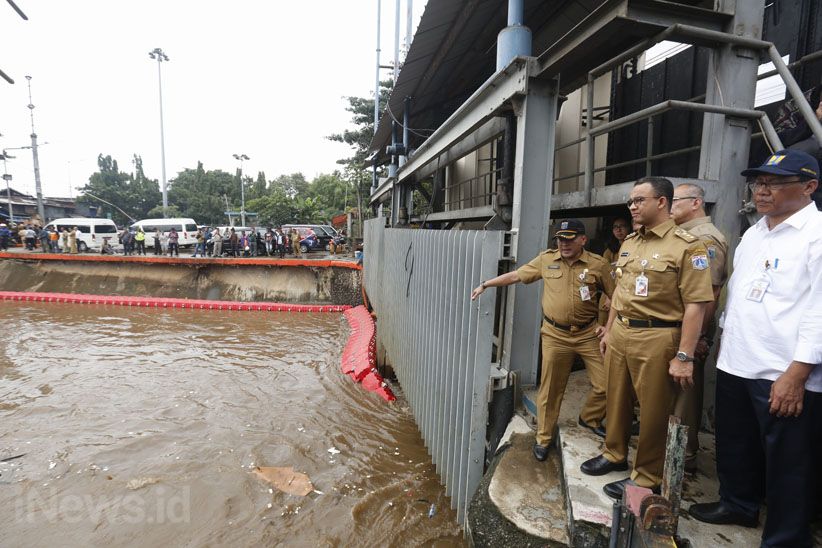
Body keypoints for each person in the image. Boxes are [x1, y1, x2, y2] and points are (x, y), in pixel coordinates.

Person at [689, 150, 822, 547]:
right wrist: (723, 341)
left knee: (789, 461)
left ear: (809, 186)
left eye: (774, 183)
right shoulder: (754, 233)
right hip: (737, 361)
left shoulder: (816, 235)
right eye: (758, 183)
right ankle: (737, 504)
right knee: (736, 443)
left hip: (783, 370)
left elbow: (819, 310)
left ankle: (787, 537)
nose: (762, 191)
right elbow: (738, 294)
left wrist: (797, 373)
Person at [580, 177, 713, 500]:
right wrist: (610, 329)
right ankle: (614, 453)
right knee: (616, 397)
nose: (632, 207)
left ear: (662, 202)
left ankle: (647, 475)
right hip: (622, 331)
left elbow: (697, 305)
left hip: (658, 335)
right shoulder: (631, 242)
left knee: (654, 409)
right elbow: (621, 292)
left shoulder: (687, 246)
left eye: (639, 200)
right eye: (630, 201)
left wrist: (684, 356)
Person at [471, 219, 615, 461]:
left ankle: (589, 417)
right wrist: (486, 284)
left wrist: (608, 328)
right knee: (550, 390)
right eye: (560, 239)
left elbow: (617, 294)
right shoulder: (547, 260)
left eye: (569, 239)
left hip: (587, 333)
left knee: (607, 383)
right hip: (555, 335)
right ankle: (544, 438)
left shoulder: (598, 265)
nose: (564, 244)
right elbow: (517, 275)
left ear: (583, 240)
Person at [670, 182, 729, 473]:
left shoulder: (705, 239)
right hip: (678, 327)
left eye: (675, 201)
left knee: (684, 397)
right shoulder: (683, 234)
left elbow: (709, 295)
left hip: (690, 332)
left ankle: (683, 457)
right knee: (673, 395)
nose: (670, 206)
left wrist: (696, 340)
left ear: (696, 203)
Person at [598, 217, 631, 326]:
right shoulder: (609, 251)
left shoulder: (634, 248)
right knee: (603, 325)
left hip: (625, 293)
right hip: (608, 292)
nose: (618, 230)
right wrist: (609, 297)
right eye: (615, 227)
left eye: (622, 226)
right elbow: (605, 276)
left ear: (629, 228)